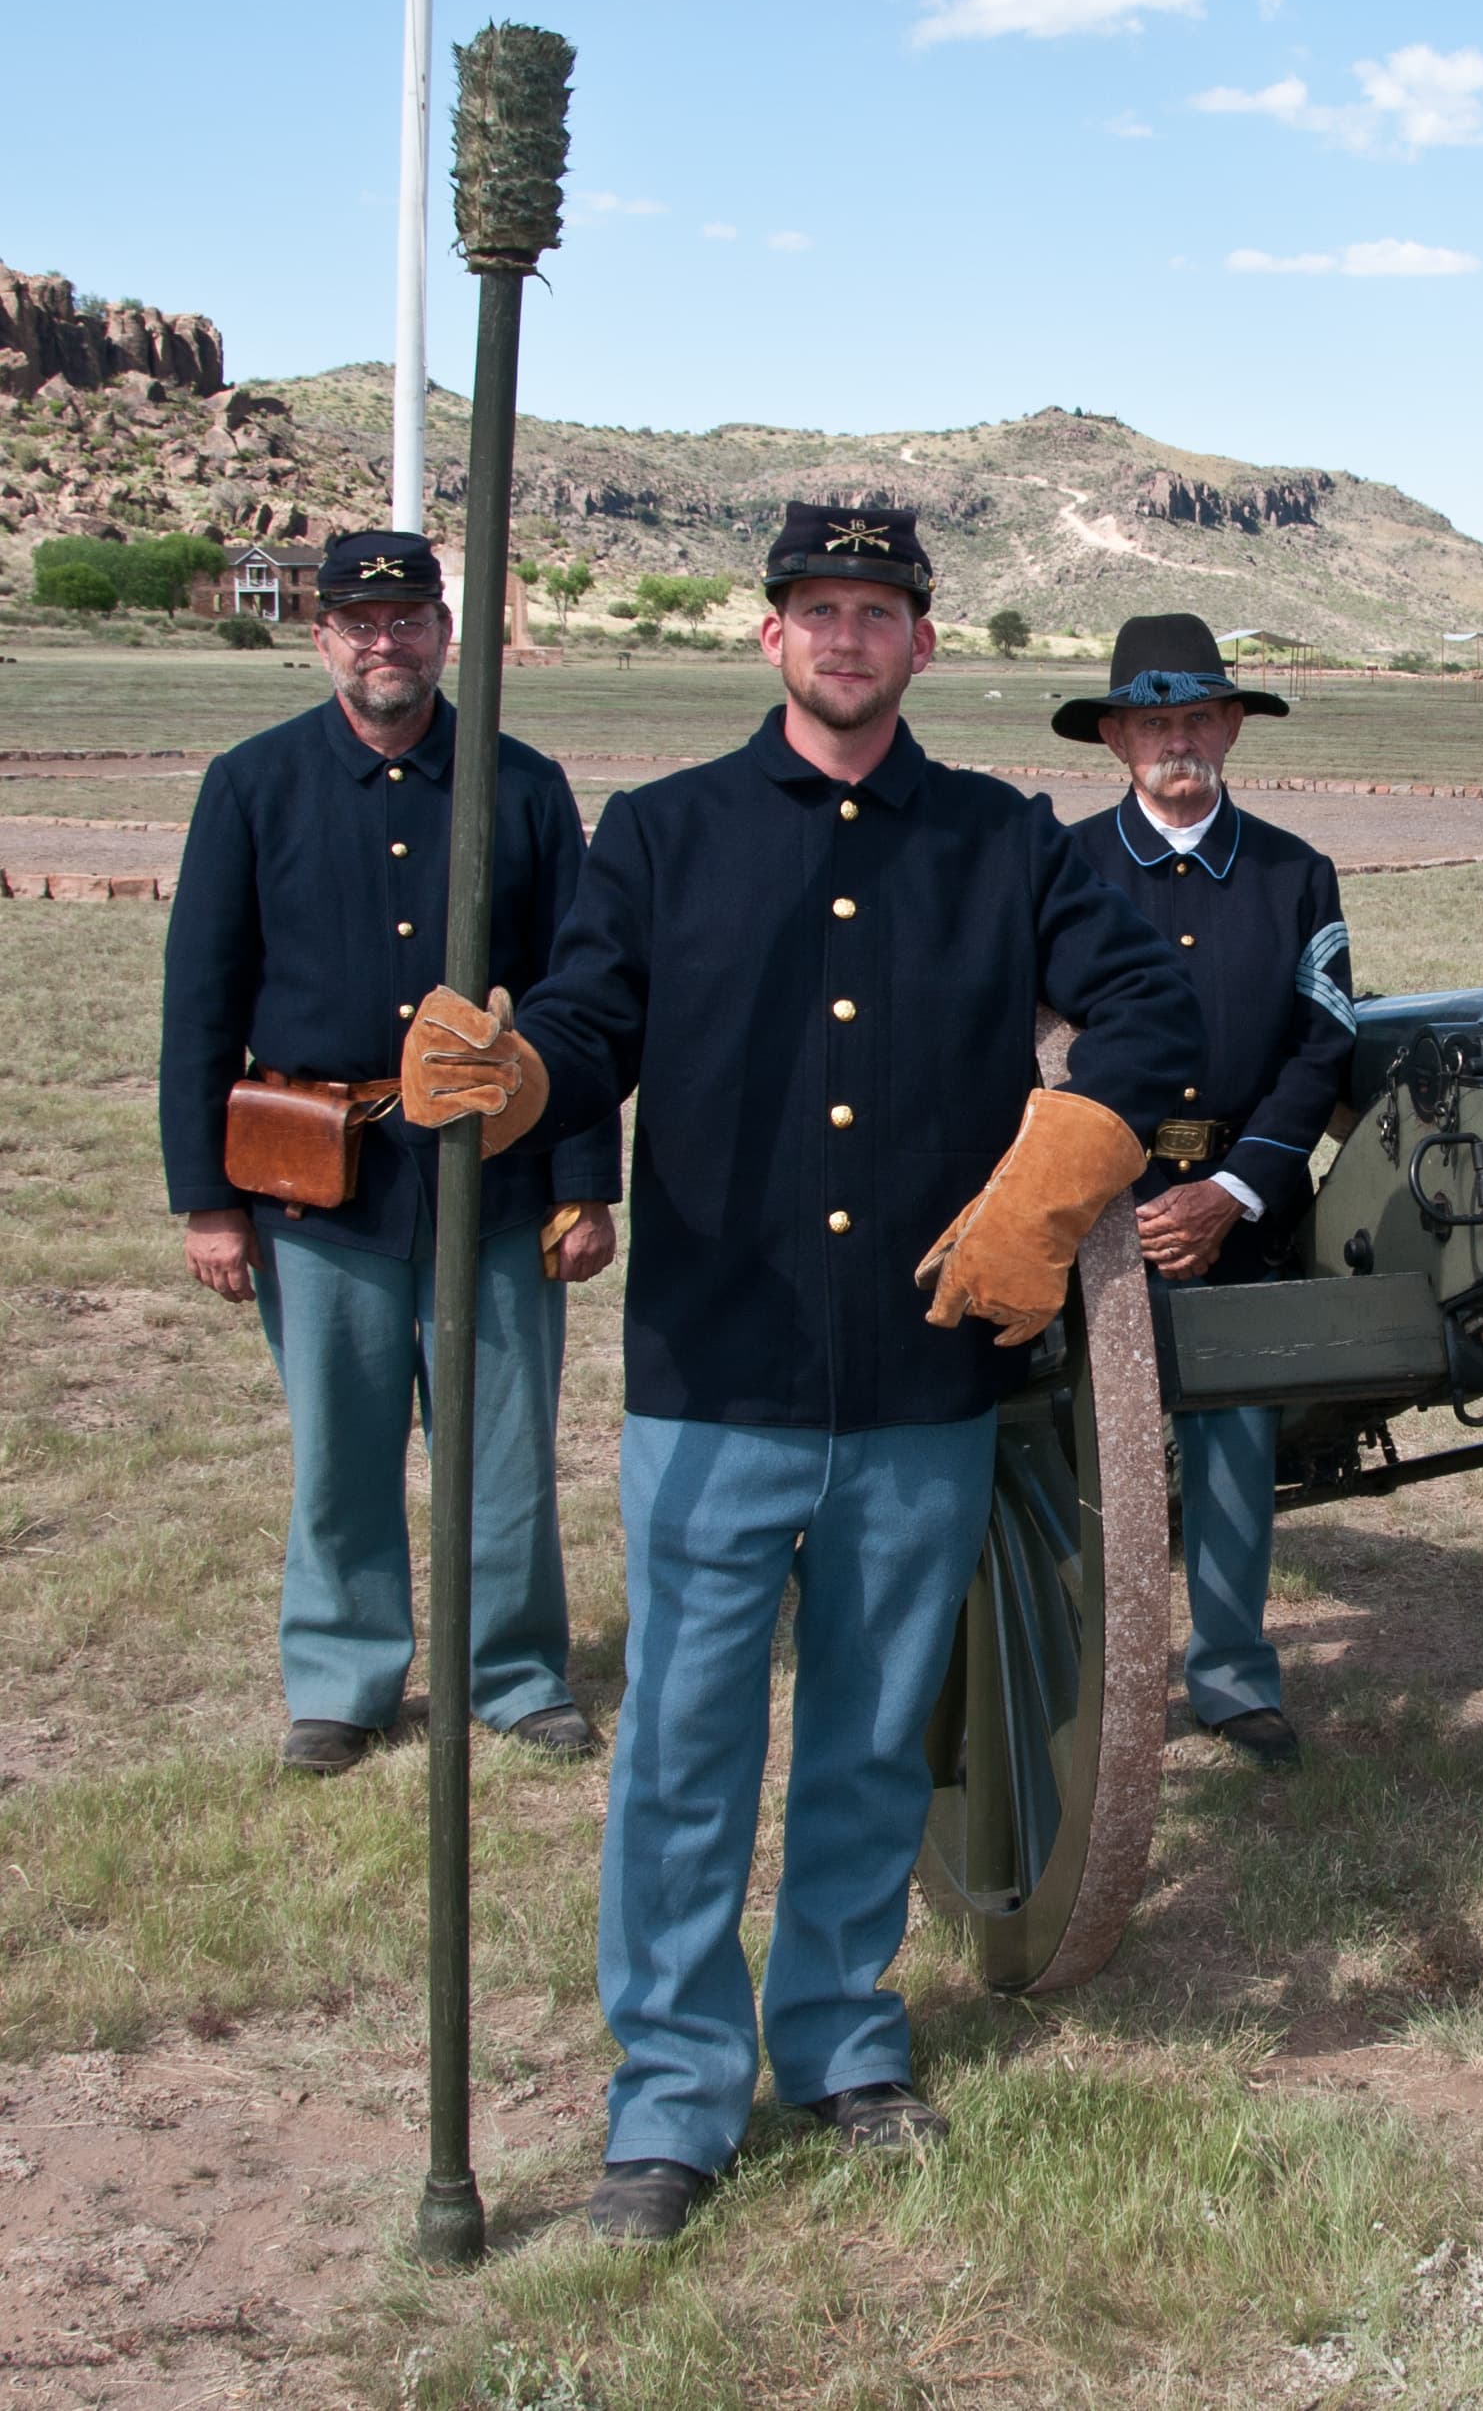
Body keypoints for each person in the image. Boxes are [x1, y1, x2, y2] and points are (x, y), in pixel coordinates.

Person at [401, 503, 1197, 2244]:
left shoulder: (1006, 843)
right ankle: (673, 2101)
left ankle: (841, 2041)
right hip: (717, 1370)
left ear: (924, 645)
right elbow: (594, 1019)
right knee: (685, 1750)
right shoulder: (666, 833)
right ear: (770, 638)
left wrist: (1061, 1173)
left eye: (880, 610)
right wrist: (525, 1078)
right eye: (818, 608)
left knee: (861, 1743)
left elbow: (1147, 1011)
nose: (847, 636)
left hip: (922, 1384)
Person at [160, 529, 619, 1776]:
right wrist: (206, 1203)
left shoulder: (520, 787)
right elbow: (201, 1004)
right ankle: (343, 1682)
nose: (385, 642)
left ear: (443, 634)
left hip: (498, 1176)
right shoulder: (251, 785)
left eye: (408, 618)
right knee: (342, 1443)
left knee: (505, 1447)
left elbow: (580, 1006)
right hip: (316, 1184)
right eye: (359, 621)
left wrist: (583, 1184)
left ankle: (514, 1673)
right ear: (321, 636)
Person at [1060, 614, 1355, 1771]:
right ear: (1117, 738)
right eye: (1152, 721)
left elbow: (1323, 1048)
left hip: (1241, 1203)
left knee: (1237, 1440)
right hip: (1095, 1205)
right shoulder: (1064, 867)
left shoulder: (1295, 871)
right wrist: (1099, 1185)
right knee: (1087, 1449)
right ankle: (1094, 1670)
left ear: (1230, 727)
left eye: (1197, 717)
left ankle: (1231, 1677)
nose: (1175, 741)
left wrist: (1235, 1187)